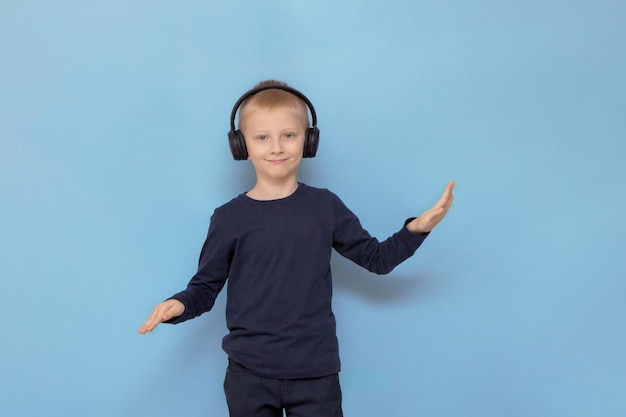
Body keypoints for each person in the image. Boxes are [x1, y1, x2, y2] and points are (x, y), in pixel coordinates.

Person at [138, 80, 454, 417]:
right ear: (240, 145)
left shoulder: (325, 206)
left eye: (288, 135)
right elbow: (205, 287)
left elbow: (377, 259)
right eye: (262, 137)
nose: (277, 147)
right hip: (249, 373)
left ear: (309, 140)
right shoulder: (228, 218)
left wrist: (416, 230)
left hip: (316, 373)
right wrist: (179, 304)